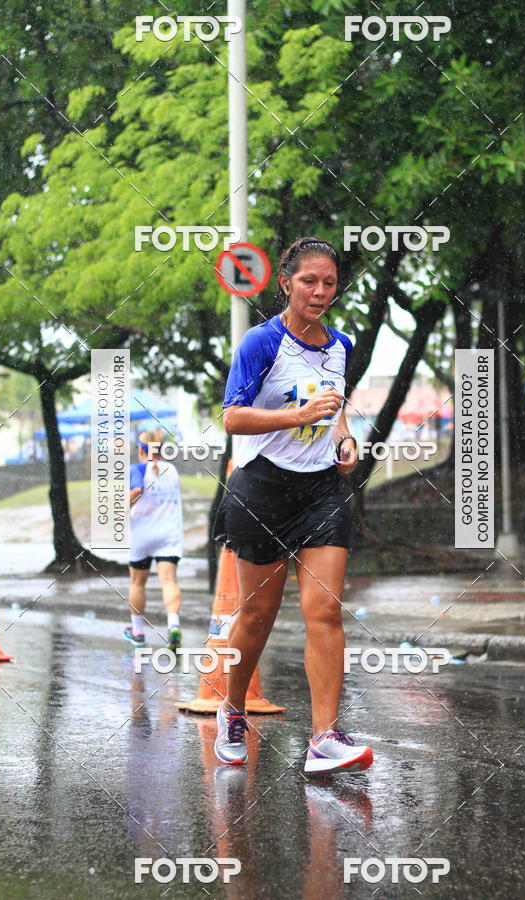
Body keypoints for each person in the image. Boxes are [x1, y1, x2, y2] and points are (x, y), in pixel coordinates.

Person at [212, 236, 374, 776]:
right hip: (262, 491)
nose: (320, 292)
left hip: (321, 492)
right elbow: (233, 417)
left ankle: (324, 738)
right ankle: (233, 710)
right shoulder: (262, 342)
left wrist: (344, 442)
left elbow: (336, 412)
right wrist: (296, 417)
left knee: (325, 611)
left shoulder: (340, 346)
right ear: (285, 283)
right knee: (257, 615)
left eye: (329, 283)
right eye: (309, 281)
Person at [123, 428, 184, 652]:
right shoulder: (172, 470)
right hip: (169, 534)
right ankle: (173, 626)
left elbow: (137, 490)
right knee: (169, 582)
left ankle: (138, 633)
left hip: (142, 535)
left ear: (141, 450)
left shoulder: (138, 469)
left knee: (137, 583)